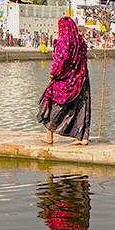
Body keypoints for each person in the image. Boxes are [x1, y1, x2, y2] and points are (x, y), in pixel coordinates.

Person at [37, 16, 91, 145]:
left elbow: (61, 59)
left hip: (65, 79)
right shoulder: (80, 41)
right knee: (81, 106)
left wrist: (53, 73)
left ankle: (49, 136)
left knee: (51, 105)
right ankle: (82, 137)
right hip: (81, 78)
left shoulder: (64, 41)